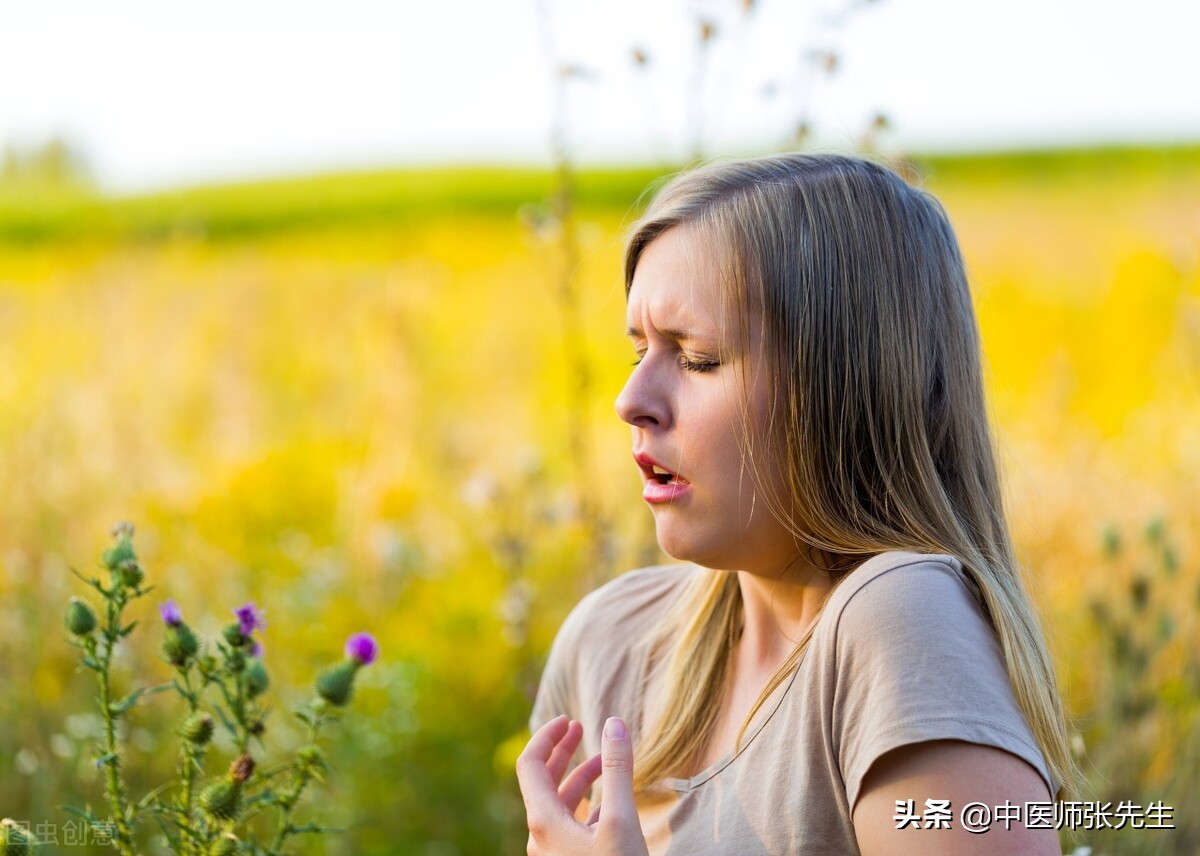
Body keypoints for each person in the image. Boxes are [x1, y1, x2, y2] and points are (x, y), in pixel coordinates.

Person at [515, 153, 1077, 855]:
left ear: (844, 388)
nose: (632, 402)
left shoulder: (901, 620)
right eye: (640, 352)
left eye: (697, 359)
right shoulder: (611, 644)